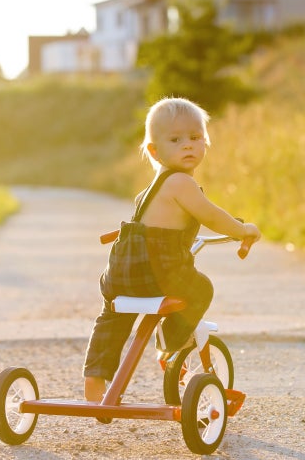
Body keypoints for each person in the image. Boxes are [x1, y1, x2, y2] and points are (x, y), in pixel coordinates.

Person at [82, 96, 261, 403]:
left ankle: (95, 386)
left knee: (113, 317)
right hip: (158, 273)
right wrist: (243, 229)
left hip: (121, 274)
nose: (188, 145)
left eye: (195, 137)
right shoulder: (181, 183)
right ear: (154, 150)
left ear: (205, 141)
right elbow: (211, 216)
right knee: (200, 289)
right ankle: (170, 340)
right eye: (176, 139)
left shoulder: (147, 191)